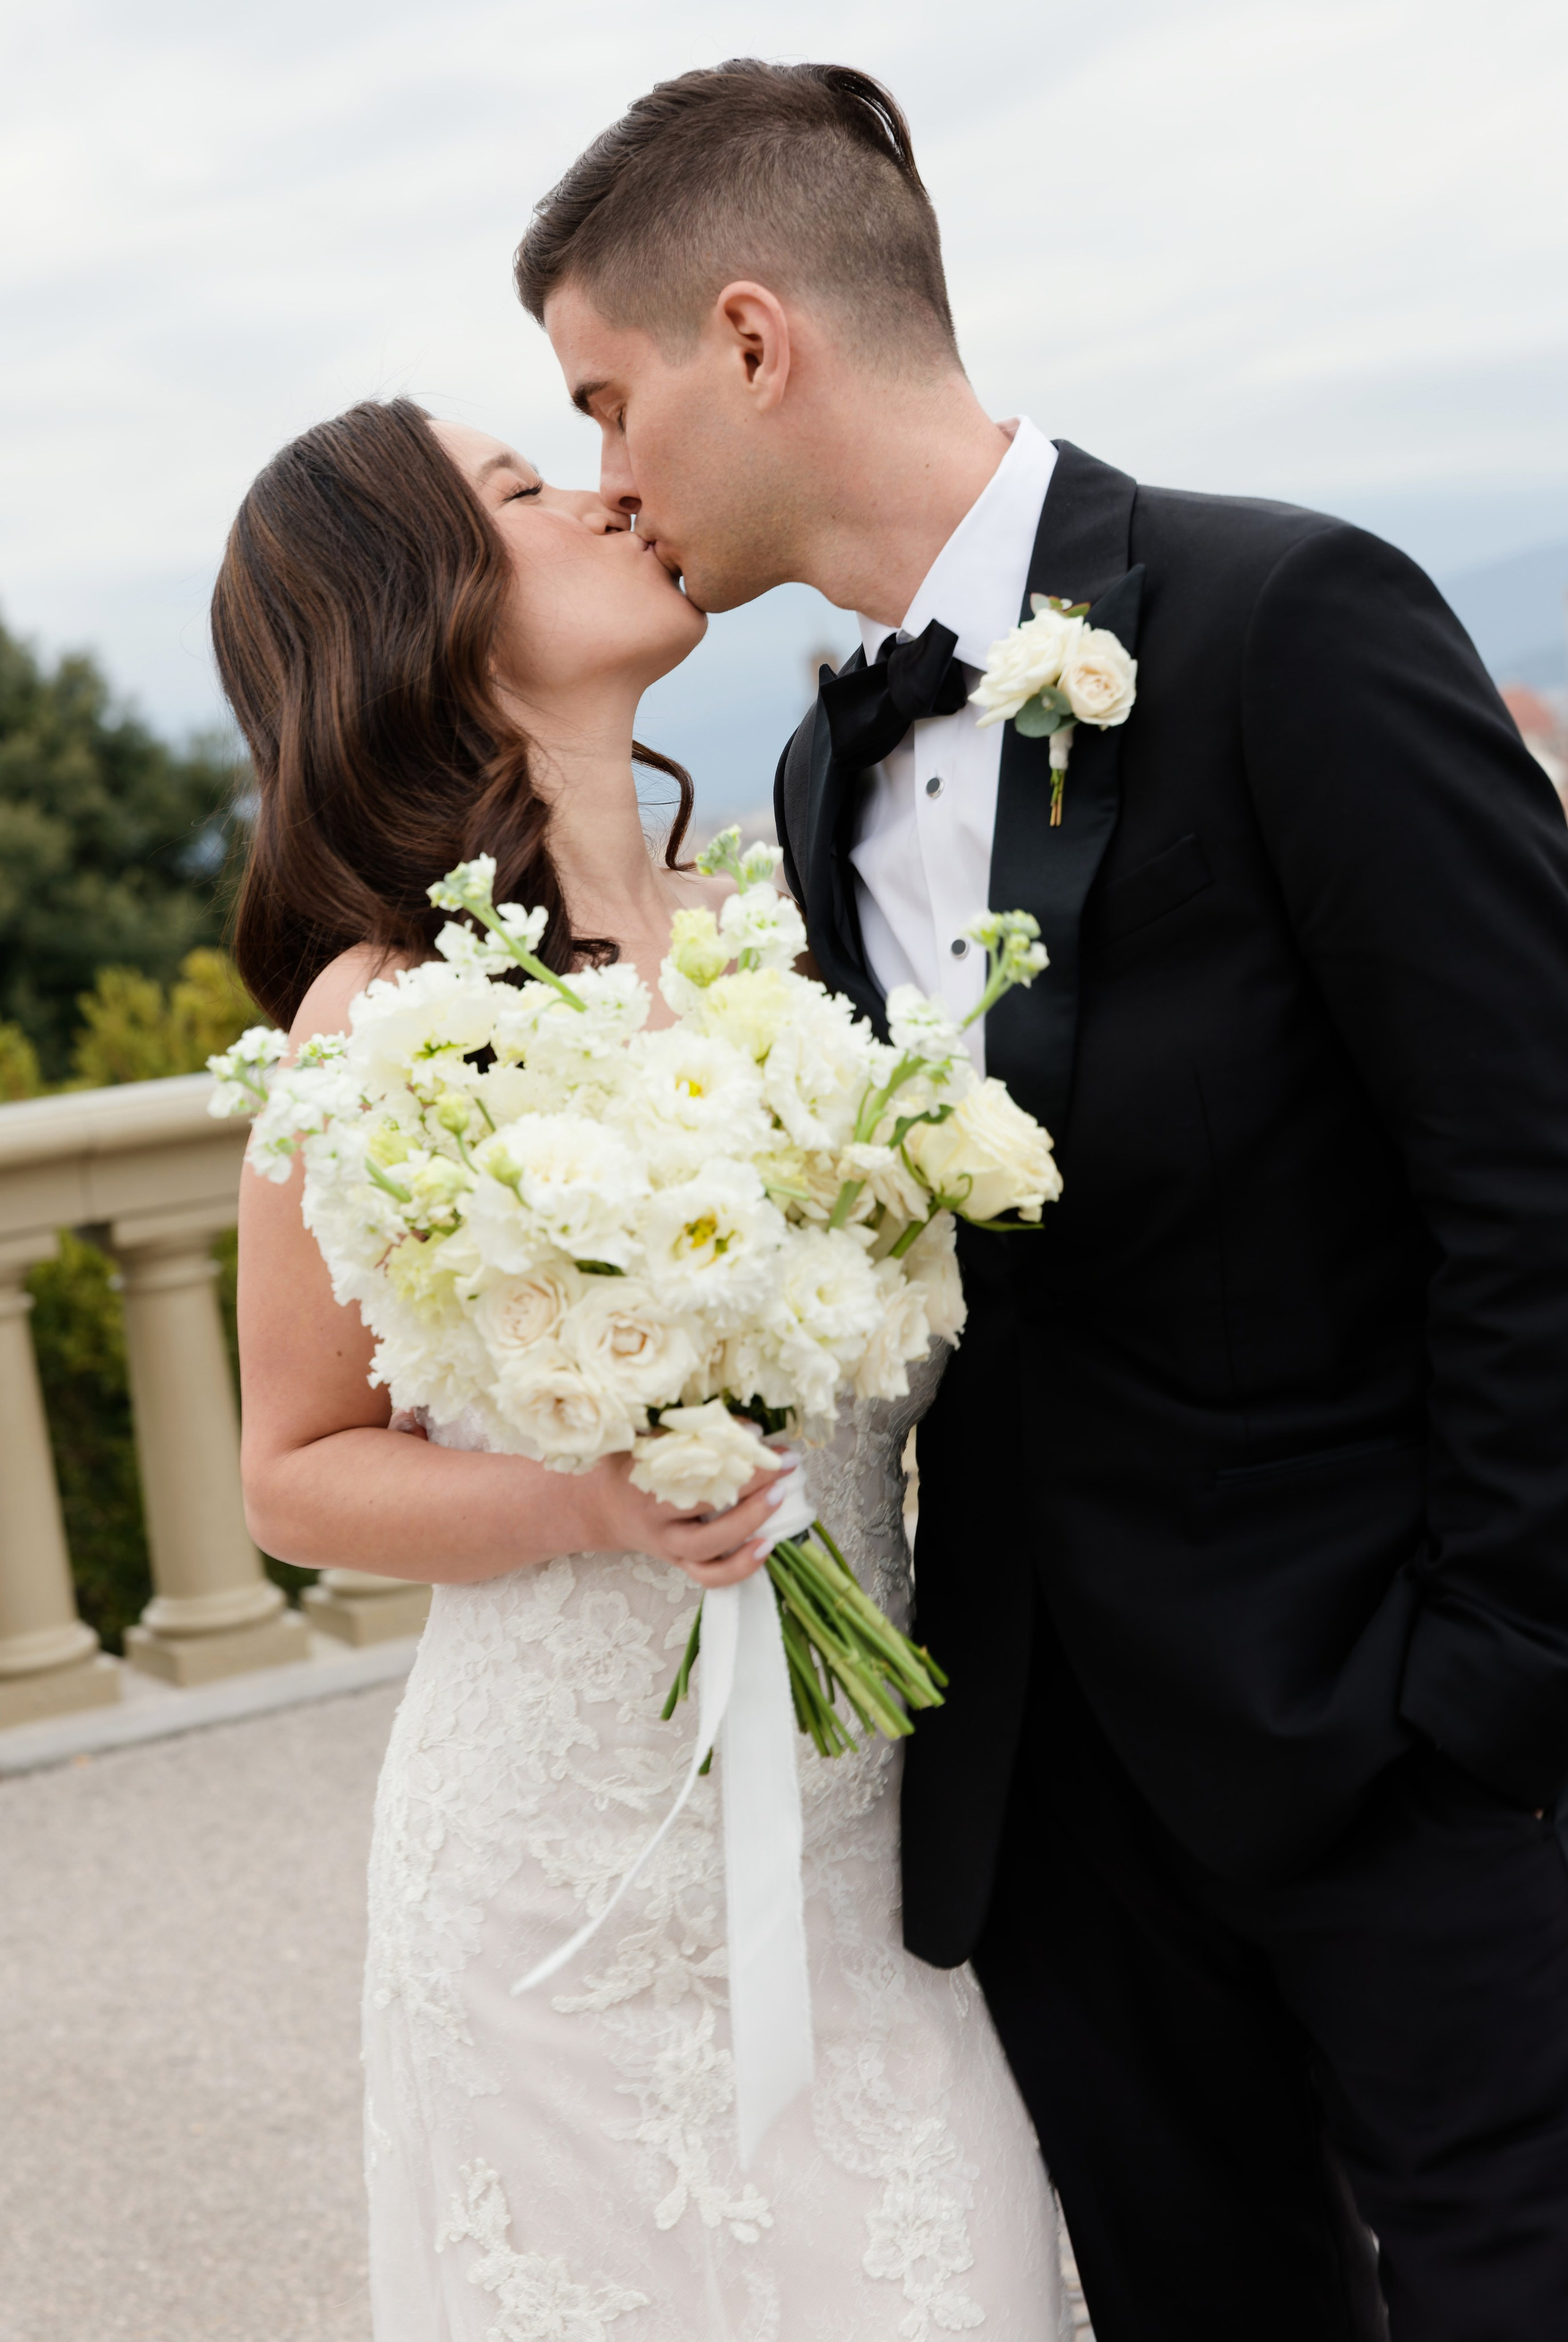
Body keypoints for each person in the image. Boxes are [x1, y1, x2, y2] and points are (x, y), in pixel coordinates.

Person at [517, 56, 1568, 2341]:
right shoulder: (816, 769)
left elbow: (1533, 1163)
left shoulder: (1290, 615)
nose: (608, 476)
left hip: (1400, 1749)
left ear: (756, 339)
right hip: (1051, 1806)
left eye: (610, 400)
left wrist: (1488, 1697)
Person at [214, 396, 1064, 2341]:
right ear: (417, 606)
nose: (607, 487)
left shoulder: (791, 926)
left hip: (871, 1845)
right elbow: (295, 1464)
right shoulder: (385, 1010)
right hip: (557, 1896)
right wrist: (585, 1500)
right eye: (523, 487)